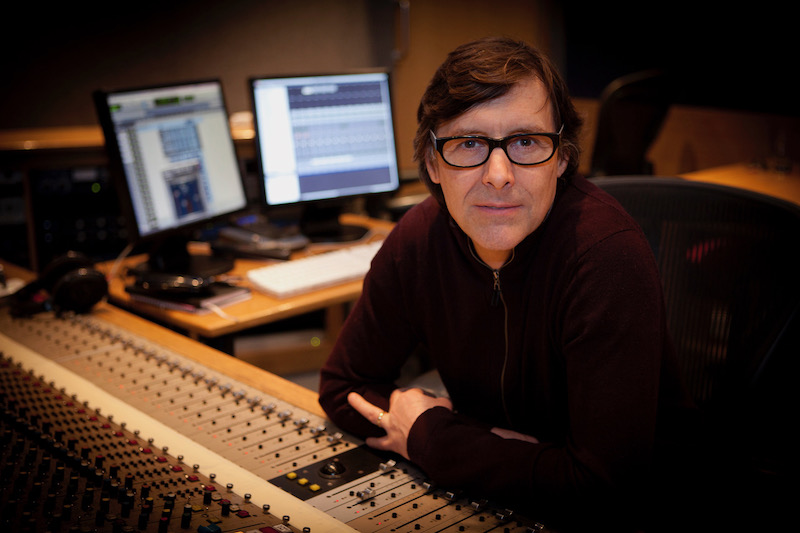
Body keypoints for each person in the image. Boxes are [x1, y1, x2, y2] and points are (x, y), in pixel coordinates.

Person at [318, 37, 699, 531]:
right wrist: (503, 453)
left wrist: (431, 436)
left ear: (561, 158)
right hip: (504, 504)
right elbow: (342, 387)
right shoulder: (418, 239)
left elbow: (601, 487)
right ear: (433, 163)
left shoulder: (607, 256)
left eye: (525, 142)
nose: (498, 175)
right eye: (470, 143)